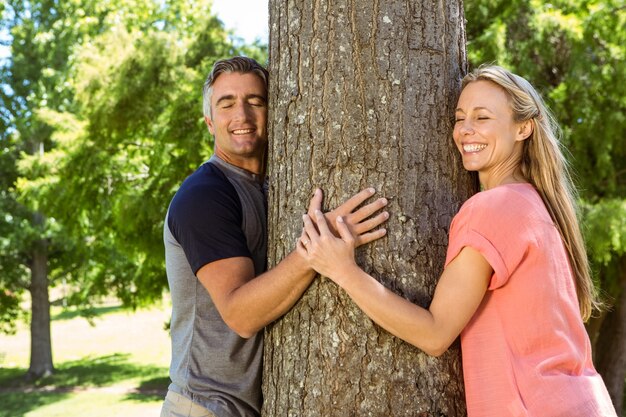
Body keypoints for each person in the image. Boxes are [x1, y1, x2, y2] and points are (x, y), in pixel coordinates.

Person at [297, 65, 617, 417]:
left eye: (482, 117)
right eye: (459, 117)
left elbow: (435, 334)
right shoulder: (537, 207)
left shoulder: (493, 208)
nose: (465, 130)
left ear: (523, 128)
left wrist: (342, 270)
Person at [160, 56, 388, 417]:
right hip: (205, 407)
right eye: (227, 103)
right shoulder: (204, 195)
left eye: (256, 101)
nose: (243, 116)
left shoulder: (267, 189)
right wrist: (318, 245)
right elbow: (240, 314)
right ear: (209, 122)